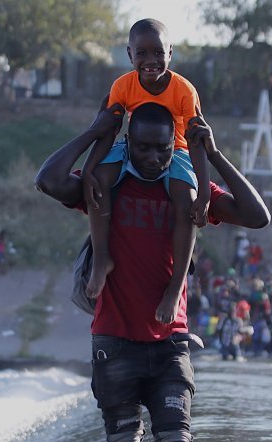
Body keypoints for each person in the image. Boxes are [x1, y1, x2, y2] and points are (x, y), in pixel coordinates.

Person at [34, 99, 269, 442]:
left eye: (163, 149)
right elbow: (47, 180)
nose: (154, 158)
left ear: (172, 145)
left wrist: (214, 155)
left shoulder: (187, 186)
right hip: (114, 343)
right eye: (143, 148)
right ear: (128, 144)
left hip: (169, 346)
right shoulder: (108, 185)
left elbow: (257, 216)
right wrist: (92, 131)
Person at [80, 19, 210, 328]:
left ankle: (176, 286)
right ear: (129, 54)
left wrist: (203, 192)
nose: (150, 61)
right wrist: (88, 170)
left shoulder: (183, 90)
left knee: (184, 201)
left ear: (170, 53)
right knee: (100, 182)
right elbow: (108, 130)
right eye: (142, 53)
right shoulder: (123, 86)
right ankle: (101, 258)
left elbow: (197, 141)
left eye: (158, 53)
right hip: (131, 147)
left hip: (174, 150)